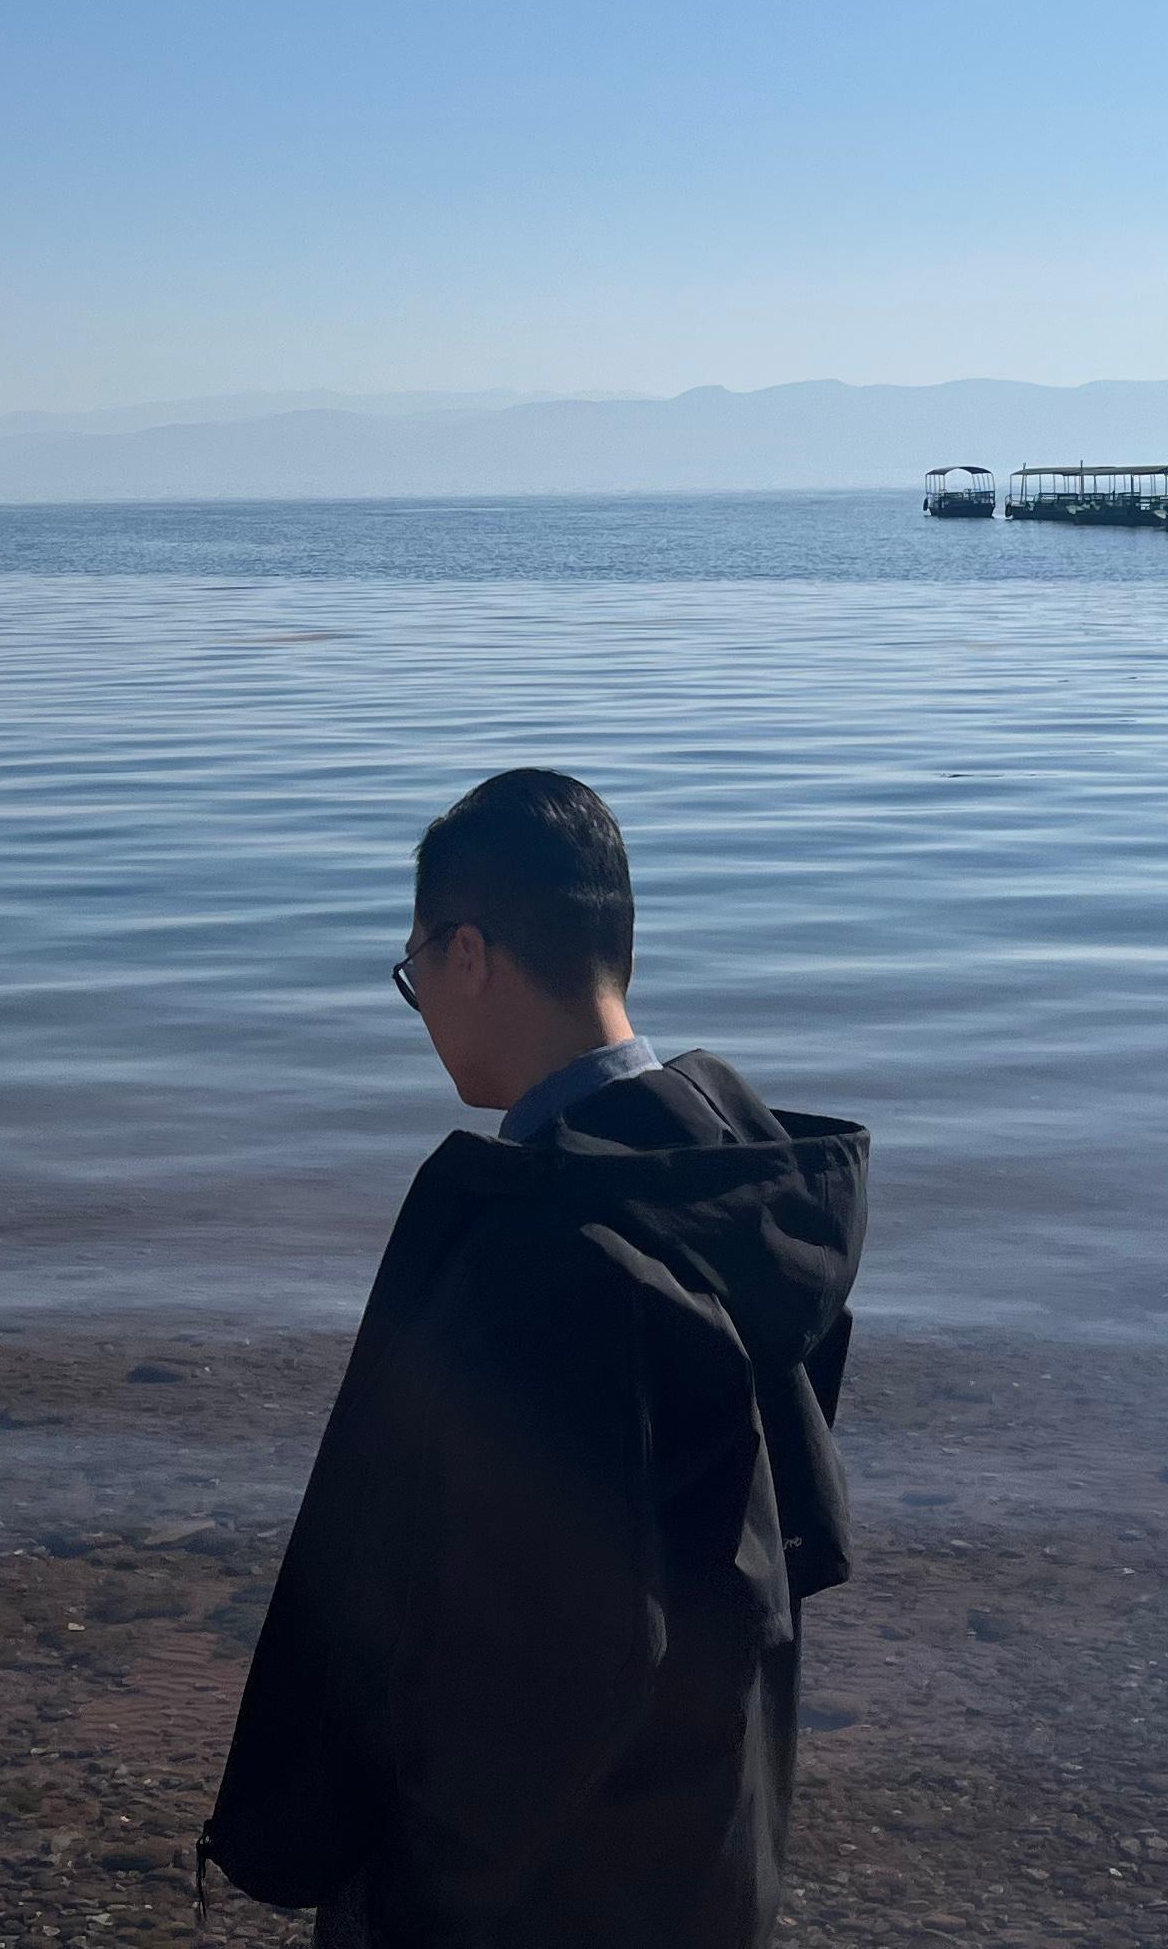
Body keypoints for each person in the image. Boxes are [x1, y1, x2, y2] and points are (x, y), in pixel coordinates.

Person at [203, 769, 870, 1949]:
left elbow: (555, 1660)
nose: (420, 1009)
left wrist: (417, 1900)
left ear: (468, 953)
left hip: (555, 1905)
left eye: (413, 975)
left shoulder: (558, 1252)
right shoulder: (732, 1177)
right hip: (709, 1857)